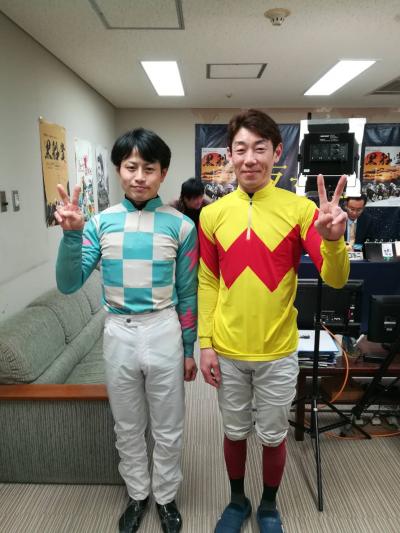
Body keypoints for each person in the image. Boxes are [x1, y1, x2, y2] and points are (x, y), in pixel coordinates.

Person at [198, 109, 349, 533]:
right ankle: (237, 500)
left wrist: (334, 241)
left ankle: (268, 505)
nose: (249, 158)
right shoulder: (212, 215)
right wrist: (205, 343)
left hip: (278, 351)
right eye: (241, 149)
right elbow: (208, 281)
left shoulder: (300, 210)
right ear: (230, 155)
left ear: (277, 153)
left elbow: (336, 278)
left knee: (272, 435)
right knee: (234, 432)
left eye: (259, 148)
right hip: (227, 349)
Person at [55, 128, 198, 533]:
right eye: (131, 167)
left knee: (169, 424)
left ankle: (165, 497)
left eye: (149, 168)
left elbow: (189, 293)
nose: (139, 177)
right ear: (119, 169)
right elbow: (68, 283)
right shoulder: (99, 223)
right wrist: (71, 234)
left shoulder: (181, 226)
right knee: (128, 424)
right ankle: (138, 494)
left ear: (163, 173)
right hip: (118, 330)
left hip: (164, 328)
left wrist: (189, 348)